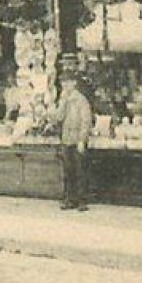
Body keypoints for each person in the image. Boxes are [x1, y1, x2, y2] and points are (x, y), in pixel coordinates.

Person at [57, 72, 92, 211]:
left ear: (74, 83)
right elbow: (59, 118)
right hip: (67, 138)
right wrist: (62, 103)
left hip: (77, 139)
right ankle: (69, 199)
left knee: (80, 170)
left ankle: (82, 200)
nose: (65, 85)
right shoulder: (63, 99)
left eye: (68, 82)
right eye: (63, 82)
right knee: (68, 171)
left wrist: (82, 140)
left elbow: (86, 121)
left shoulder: (81, 100)